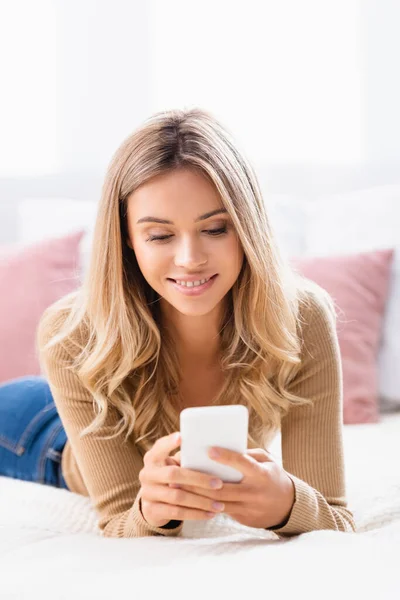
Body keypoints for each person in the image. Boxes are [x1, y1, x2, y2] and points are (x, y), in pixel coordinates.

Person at [0, 107, 356, 538]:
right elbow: (118, 520)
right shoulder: (70, 334)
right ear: (128, 239)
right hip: (36, 436)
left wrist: (287, 504)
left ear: (247, 228)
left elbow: (334, 517)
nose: (190, 259)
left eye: (216, 228)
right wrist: (151, 513)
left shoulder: (301, 317)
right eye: (160, 235)